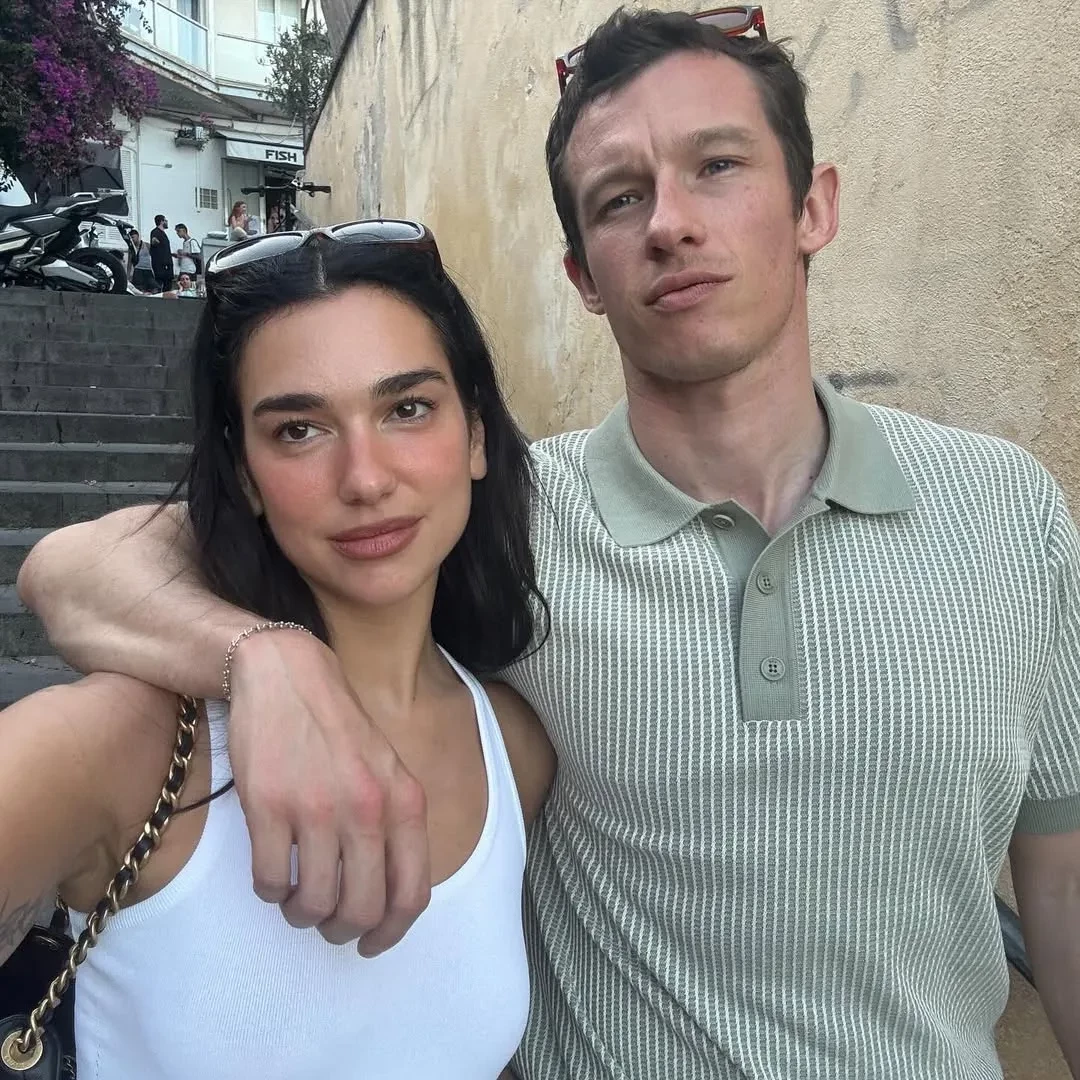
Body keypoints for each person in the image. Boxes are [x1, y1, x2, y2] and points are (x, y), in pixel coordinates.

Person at [17, 9, 1080, 1080]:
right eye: (620, 198)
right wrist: (263, 657)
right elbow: (73, 569)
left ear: (815, 206)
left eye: (717, 166)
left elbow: (1063, 876)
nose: (671, 223)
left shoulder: (1009, 511)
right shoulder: (514, 517)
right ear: (581, 275)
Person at [2, 222, 554, 1078]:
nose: (365, 478)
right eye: (299, 430)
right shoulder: (123, 744)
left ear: (476, 434)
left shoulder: (513, 747)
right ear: (245, 475)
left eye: (407, 408)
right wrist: (263, 653)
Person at [127, 229, 157, 293]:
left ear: (138, 236)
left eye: (133, 237)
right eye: (131, 238)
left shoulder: (147, 245)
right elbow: (129, 263)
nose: (132, 239)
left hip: (148, 270)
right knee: (139, 289)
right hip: (138, 270)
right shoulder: (131, 248)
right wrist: (128, 276)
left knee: (154, 288)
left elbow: (155, 257)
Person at [149, 213, 173, 293]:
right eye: (165, 220)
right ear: (162, 221)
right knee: (161, 285)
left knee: (168, 285)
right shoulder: (156, 232)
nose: (167, 222)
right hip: (161, 265)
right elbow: (154, 241)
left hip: (166, 264)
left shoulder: (163, 233)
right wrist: (155, 241)